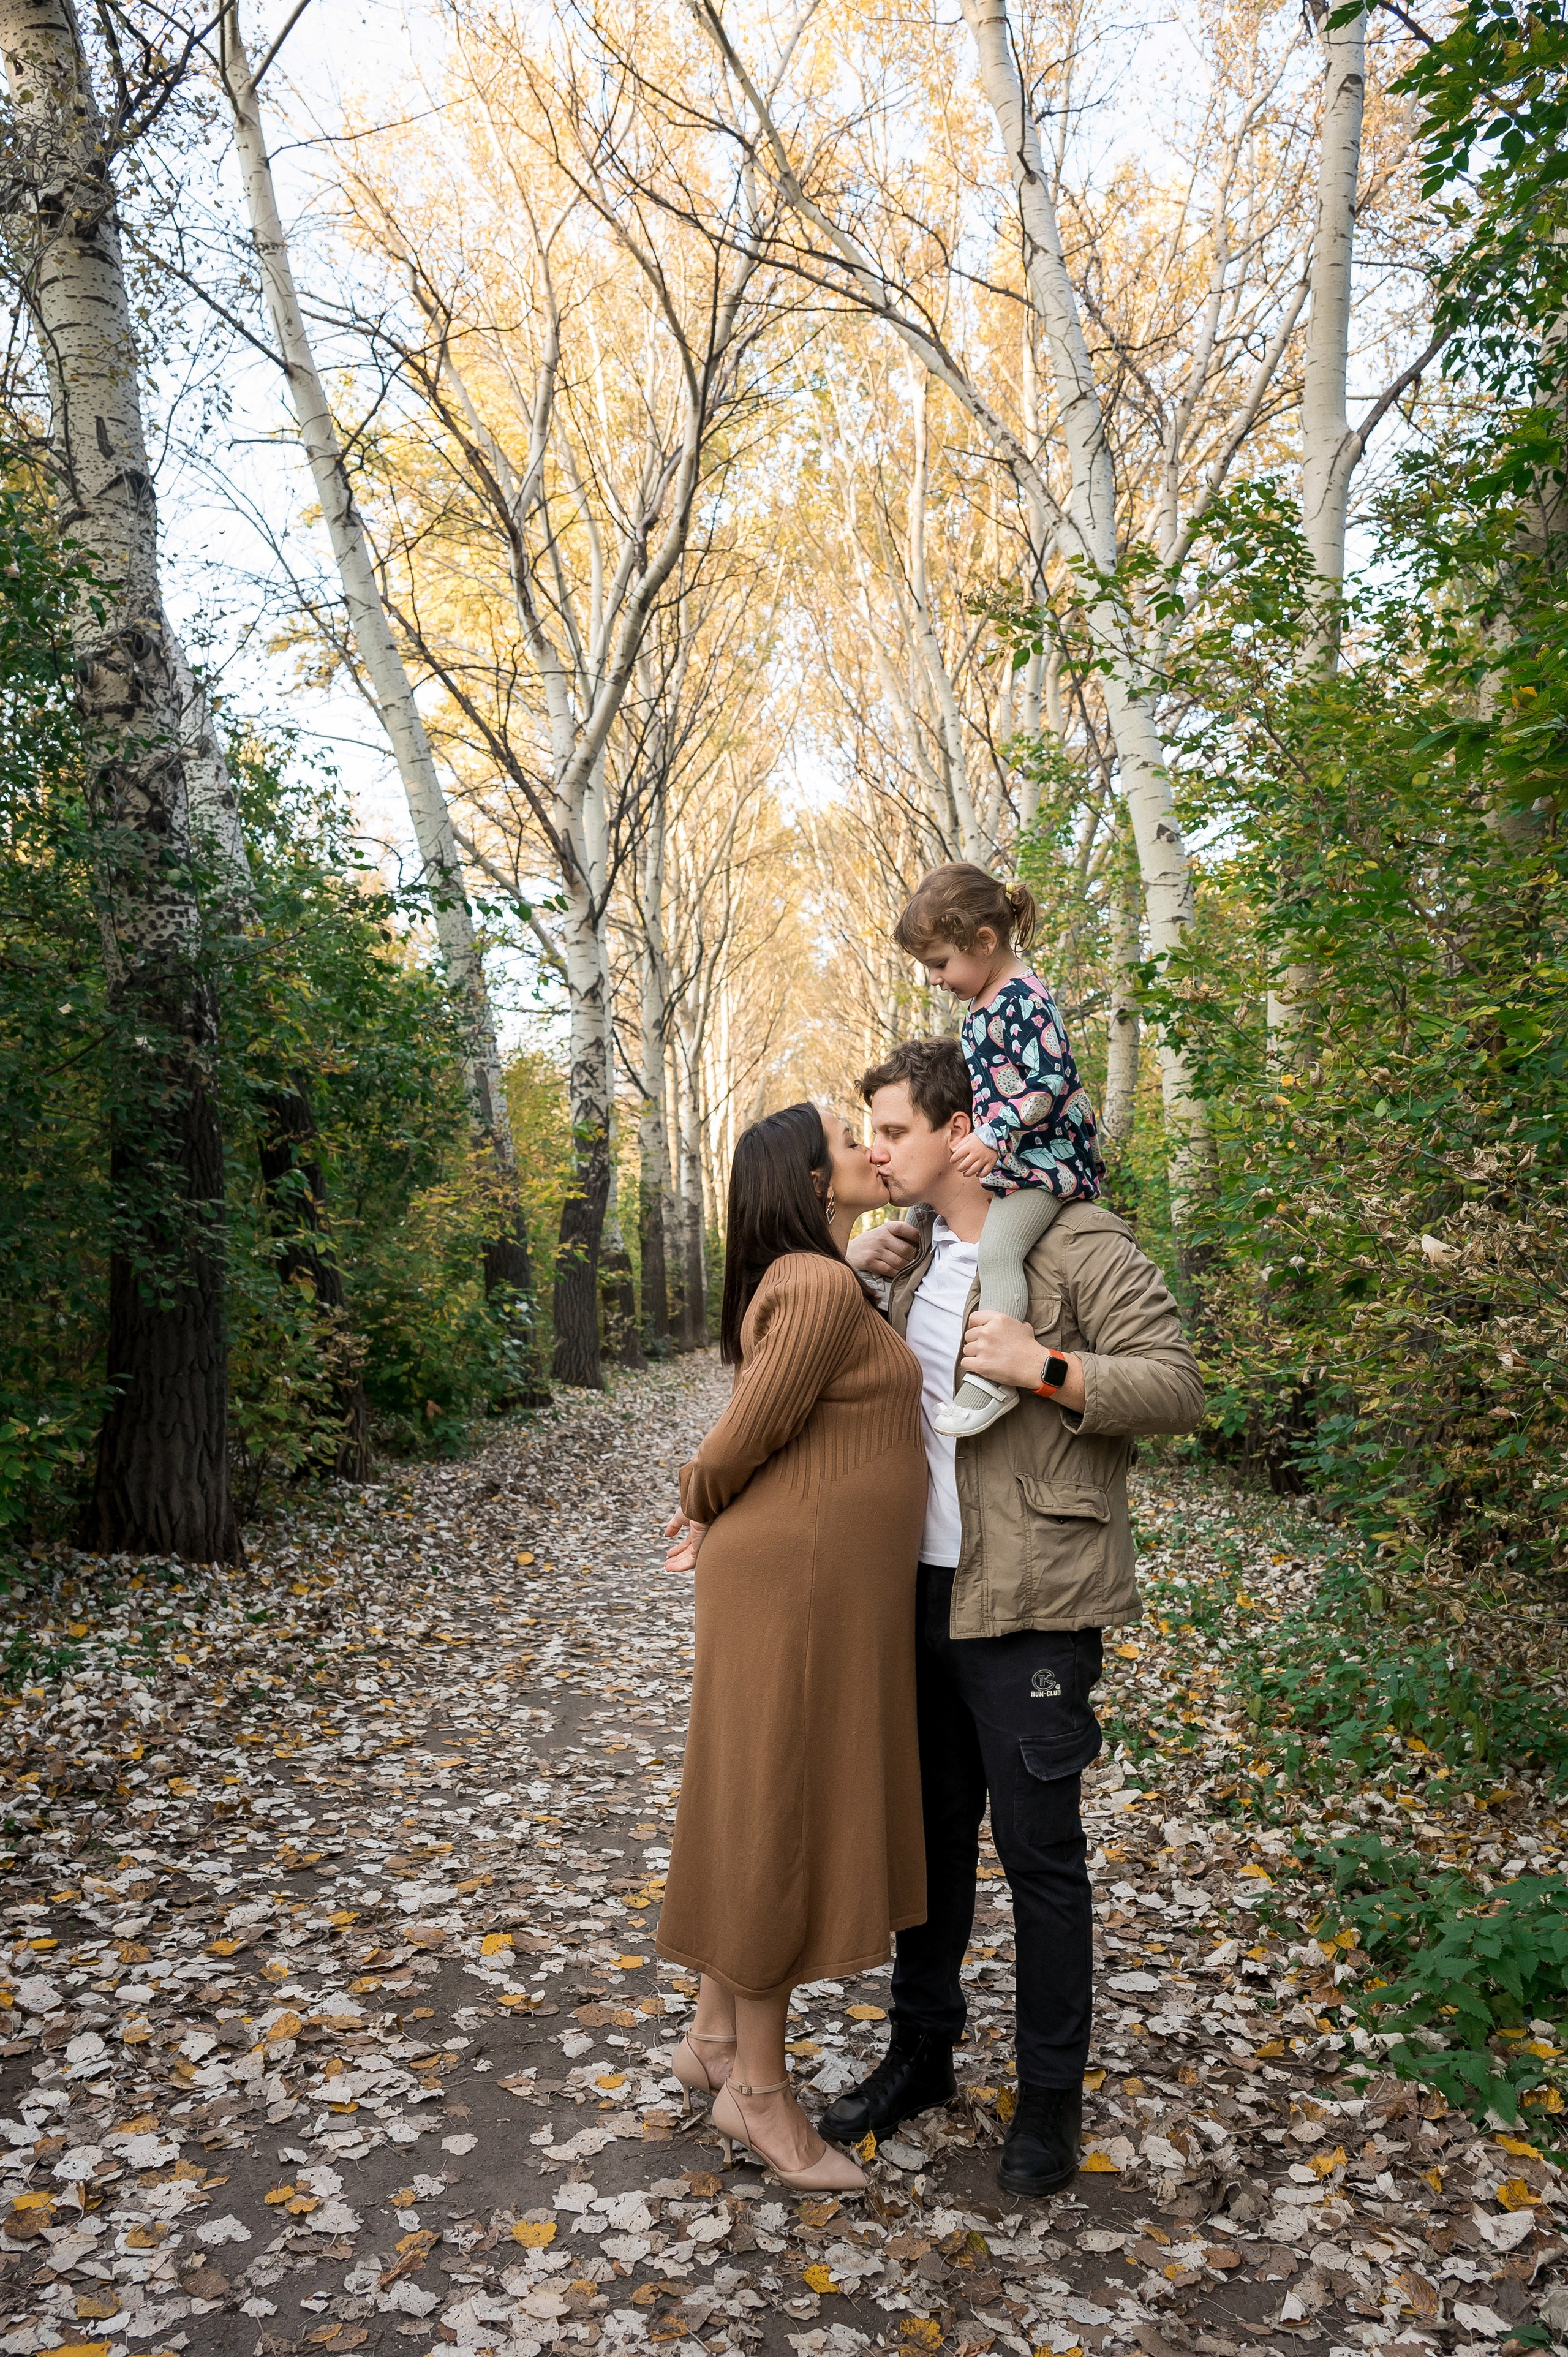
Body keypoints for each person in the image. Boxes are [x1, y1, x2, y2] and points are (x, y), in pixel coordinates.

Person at [824, 1037, 1202, 2197]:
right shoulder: (912, 1252)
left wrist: (1047, 1364)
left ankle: (1048, 2100)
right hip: (915, 1595)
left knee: (1039, 1858)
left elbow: (1180, 1386)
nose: (877, 1151)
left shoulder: (1081, 1240)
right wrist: (856, 1267)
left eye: (893, 1130)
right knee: (928, 1849)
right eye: (872, 1133)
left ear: (958, 1128)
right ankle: (921, 2057)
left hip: (1033, 1601)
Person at [657, 1102, 929, 2195]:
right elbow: (745, 1429)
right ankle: (759, 2093)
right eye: (848, 1140)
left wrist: (854, 1270)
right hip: (801, 1583)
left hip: (814, 1580)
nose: (872, 1149)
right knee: (781, 1805)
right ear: (813, 1179)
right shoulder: (816, 1285)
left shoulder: (819, 1278)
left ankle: (717, 2038)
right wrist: (697, 1501)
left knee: (763, 1789)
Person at [893, 864, 1101, 1441]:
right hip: (1016, 1156)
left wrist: (995, 1133)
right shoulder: (987, 1001)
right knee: (936, 1213)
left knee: (998, 1252)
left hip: (1049, 1161)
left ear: (984, 941)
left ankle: (994, 1380)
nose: (935, 979)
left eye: (939, 964)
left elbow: (1050, 1082)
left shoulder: (1023, 1000)